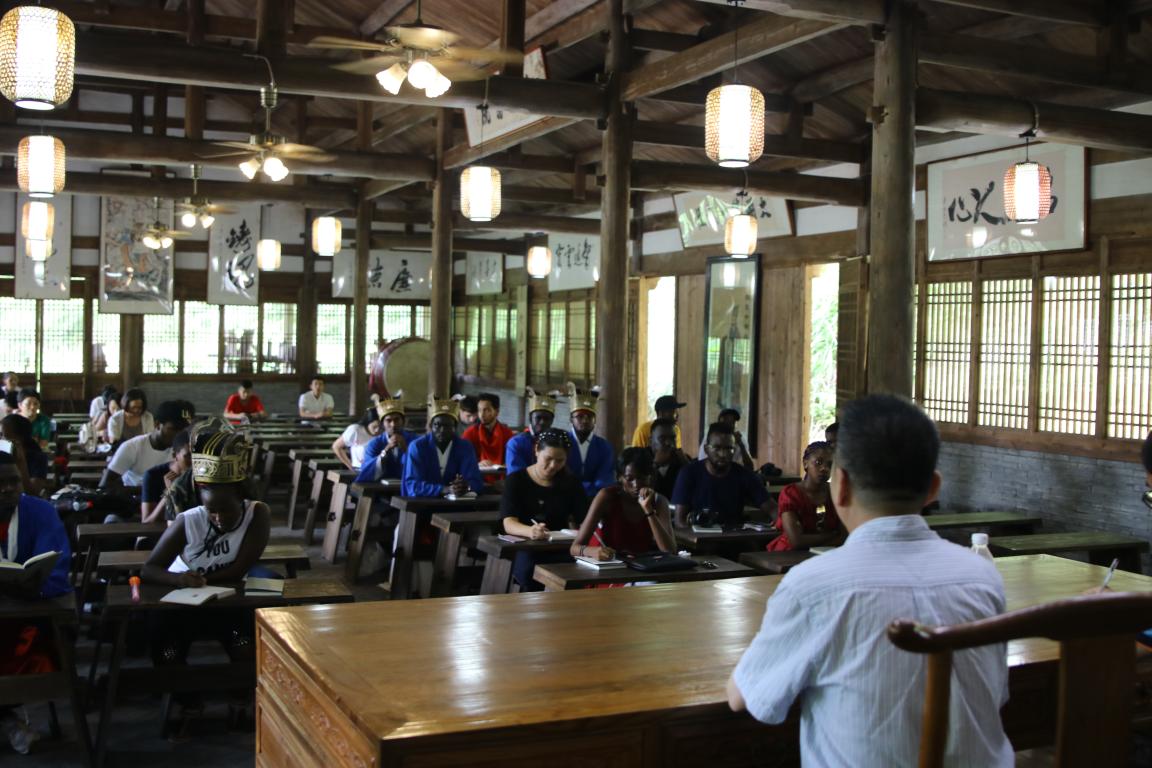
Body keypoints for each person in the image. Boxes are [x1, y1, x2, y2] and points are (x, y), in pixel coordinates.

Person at [727, 394, 1012, 767]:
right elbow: (996, 693)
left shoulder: (813, 585)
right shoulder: (982, 575)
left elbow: (745, 696)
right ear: (933, 489)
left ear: (840, 485)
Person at [141, 427, 272, 730]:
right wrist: (181, 580)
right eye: (212, 511)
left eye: (226, 511)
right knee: (167, 650)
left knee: (245, 644)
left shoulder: (257, 514)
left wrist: (205, 581)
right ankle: (188, 700)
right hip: (184, 608)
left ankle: (240, 696)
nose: (218, 518)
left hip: (229, 606)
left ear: (241, 499)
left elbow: (240, 568)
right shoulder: (189, 520)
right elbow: (149, 569)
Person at [0, 452, 72, 755]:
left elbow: (55, 568)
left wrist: (29, 586)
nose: (8, 489)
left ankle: (8, 715)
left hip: (30, 614)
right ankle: (8, 718)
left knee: (25, 643)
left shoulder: (40, 511)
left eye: (14, 481)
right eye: (0, 483)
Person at [501, 429, 588, 590]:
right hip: (527, 547)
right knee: (529, 570)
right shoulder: (516, 481)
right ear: (536, 450)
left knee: (580, 571)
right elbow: (509, 522)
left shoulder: (571, 483)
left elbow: (583, 520)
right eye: (548, 459)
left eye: (560, 461)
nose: (553, 466)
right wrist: (530, 531)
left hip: (562, 547)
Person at [572, 447, 676, 561]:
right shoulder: (607, 497)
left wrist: (648, 510)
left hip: (641, 566)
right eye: (629, 479)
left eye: (642, 478)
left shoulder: (659, 501)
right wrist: (593, 551)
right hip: (608, 565)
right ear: (619, 478)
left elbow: (670, 551)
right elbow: (574, 548)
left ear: (650, 477)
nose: (636, 485)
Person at [672, 422, 770, 529]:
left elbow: (772, 508)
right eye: (717, 448)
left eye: (729, 448)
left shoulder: (743, 474)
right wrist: (697, 534)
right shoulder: (688, 473)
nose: (723, 454)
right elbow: (679, 521)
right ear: (706, 449)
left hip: (734, 535)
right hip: (700, 535)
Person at [400, 397, 485, 498]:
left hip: (456, 505)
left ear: (455, 427)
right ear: (431, 426)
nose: (442, 430)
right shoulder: (417, 447)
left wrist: (465, 486)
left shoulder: (465, 447)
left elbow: (476, 482)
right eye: (437, 425)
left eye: (447, 426)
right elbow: (413, 486)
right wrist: (444, 489)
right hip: (423, 503)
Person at [101, 400, 194, 492]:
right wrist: (149, 490)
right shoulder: (132, 447)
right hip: (135, 497)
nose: (179, 435)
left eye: (183, 430)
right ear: (157, 424)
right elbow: (105, 485)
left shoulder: (184, 450)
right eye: (174, 429)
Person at [766, 441, 842, 551]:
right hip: (789, 554)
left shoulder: (836, 492)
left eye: (830, 465)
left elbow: (844, 537)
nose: (824, 468)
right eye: (818, 462)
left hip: (827, 553)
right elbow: (796, 541)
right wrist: (833, 536)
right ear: (805, 463)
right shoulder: (791, 493)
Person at [565, 383, 615, 498]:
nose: (585, 420)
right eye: (580, 416)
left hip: (596, 499)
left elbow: (604, 479)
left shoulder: (605, 447)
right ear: (571, 419)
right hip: (565, 497)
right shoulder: (561, 442)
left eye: (590, 416)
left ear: (595, 420)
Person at [355, 396, 417, 483]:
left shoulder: (415, 441)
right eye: (388, 420)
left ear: (403, 421)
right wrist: (386, 450)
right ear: (382, 424)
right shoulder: (374, 444)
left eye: (397, 420)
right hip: (378, 488)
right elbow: (366, 471)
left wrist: (406, 449)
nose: (393, 424)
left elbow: (423, 467)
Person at [140, 429, 194, 526]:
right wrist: (170, 492)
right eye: (189, 456)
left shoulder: (202, 476)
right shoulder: (153, 475)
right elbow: (147, 522)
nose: (195, 461)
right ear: (174, 455)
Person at [504, 388, 556, 475]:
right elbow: (516, 476)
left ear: (552, 420)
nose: (542, 422)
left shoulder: (556, 442)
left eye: (547, 419)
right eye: (538, 418)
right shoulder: (516, 443)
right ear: (530, 418)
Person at [461, 392, 514, 478]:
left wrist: (506, 464)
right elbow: (462, 460)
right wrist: (477, 463)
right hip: (477, 477)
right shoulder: (469, 433)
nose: (481, 415)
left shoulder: (507, 433)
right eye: (479, 410)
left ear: (496, 412)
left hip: (501, 478)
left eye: (486, 410)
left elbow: (512, 458)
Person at [0, 415, 48, 498]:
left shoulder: (37, 458)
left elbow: (31, 493)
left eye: (2, 435)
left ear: (19, 438)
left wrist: (21, 461)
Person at [650, 417, 689, 500]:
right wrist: (655, 465)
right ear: (650, 441)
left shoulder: (683, 460)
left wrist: (686, 464)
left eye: (673, 438)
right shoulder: (642, 458)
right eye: (662, 439)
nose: (669, 443)